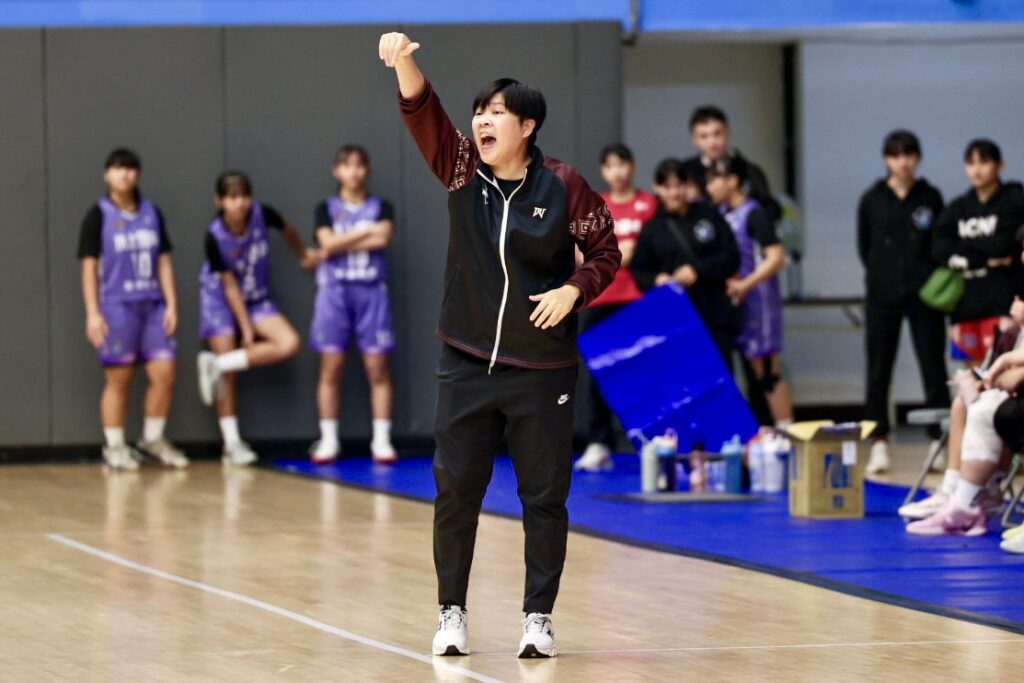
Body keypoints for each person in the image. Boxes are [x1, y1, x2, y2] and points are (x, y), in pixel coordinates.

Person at [379, 31, 620, 659]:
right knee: (456, 493)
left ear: (527, 126)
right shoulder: (463, 172)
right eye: (479, 112)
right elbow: (423, 112)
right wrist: (405, 60)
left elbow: (605, 251)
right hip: (465, 360)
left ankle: (538, 618)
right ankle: (451, 612)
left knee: (544, 498)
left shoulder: (564, 186)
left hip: (542, 369)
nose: (482, 121)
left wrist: (574, 289)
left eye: (496, 113)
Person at [196, 171, 318, 465]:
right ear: (219, 201)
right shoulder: (214, 236)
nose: (239, 203)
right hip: (220, 300)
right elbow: (229, 286)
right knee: (228, 376)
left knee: (289, 343)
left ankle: (216, 364)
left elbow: (288, 229)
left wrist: (303, 252)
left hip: (256, 297)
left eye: (244, 196)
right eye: (232, 197)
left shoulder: (263, 214)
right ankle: (231, 444)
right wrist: (246, 329)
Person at [77, 148, 187, 470]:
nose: (124, 173)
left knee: (165, 373)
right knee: (120, 379)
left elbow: (164, 261)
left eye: (130, 168)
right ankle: (114, 446)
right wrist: (93, 313)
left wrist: (172, 303)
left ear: (138, 174)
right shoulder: (98, 215)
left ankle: (152, 439)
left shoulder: (152, 212)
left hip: (152, 304)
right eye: (117, 168)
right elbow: (88, 268)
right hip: (117, 305)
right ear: (106, 175)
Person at [856, 130, 949, 475]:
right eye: (896, 156)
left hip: (924, 298)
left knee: (933, 369)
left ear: (917, 158)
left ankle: (937, 442)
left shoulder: (930, 197)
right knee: (878, 371)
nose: (903, 162)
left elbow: (938, 244)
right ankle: (879, 442)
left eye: (909, 155)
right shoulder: (872, 198)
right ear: (886, 159)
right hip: (882, 298)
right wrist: (882, 276)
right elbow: (865, 247)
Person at [309, 145, 398, 465]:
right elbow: (326, 243)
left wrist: (339, 242)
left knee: (378, 368)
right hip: (334, 294)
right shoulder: (325, 208)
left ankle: (382, 440)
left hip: (371, 293)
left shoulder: (382, 206)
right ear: (337, 171)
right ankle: (329, 439)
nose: (354, 172)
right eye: (347, 166)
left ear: (367, 170)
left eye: (359, 165)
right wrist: (366, 231)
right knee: (331, 368)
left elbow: (382, 239)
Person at [574, 143, 658, 473]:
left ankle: (653, 439)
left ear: (633, 166)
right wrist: (621, 252)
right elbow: (581, 254)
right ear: (603, 171)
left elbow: (650, 249)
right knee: (599, 371)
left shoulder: (649, 204)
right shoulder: (595, 206)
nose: (618, 172)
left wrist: (607, 252)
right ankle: (599, 443)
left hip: (637, 298)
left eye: (622, 164)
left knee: (643, 369)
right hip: (599, 298)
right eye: (610, 166)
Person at [899, 300, 1023, 522]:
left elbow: (1013, 379)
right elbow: (1005, 369)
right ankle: (954, 489)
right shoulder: (1011, 332)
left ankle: (978, 494)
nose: (1015, 304)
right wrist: (992, 374)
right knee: (963, 403)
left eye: (1020, 300)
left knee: (990, 410)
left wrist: (998, 377)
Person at [706, 155, 792, 429]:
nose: (709, 187)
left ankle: (785, 430)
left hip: (759, 302)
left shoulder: (754, 213)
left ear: (732, 181)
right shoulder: (722, 215)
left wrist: (746, 284)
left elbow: (776, 257)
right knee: (748, 371)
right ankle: (761, 430)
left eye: (714, 180)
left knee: (766, 369)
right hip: (735, 303)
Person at [631, 158, 741, 366]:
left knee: (720, 376)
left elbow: (731, 256)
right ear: (657, 188)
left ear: (687, 185)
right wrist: (657, 280)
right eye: (667, 187)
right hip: (674, 320)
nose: (674, 193)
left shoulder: (708, 215)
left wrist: (698, 270)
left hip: (713, 315)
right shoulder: (652, 229)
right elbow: (639, 272)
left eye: (679, 185)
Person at [933, 139, 1024, 369]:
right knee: (972, 375)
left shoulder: (1014, 199)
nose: (977, 169)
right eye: (971, 163)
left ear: (999, 165)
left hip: (1003, 301)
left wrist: (963, 252)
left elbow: (1003, 243)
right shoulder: (958, 207)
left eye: (984, 162)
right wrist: (984, 259)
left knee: (1004, 369)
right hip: (965, 305)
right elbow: (939, 248)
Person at [682, 105, 782, 222]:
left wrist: (743, 204)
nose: (712, 142)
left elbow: (771, 210)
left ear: (728, 132)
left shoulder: (748, 170)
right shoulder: (685, 173)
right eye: (704, 136)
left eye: (717, 133)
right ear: (694, 140)